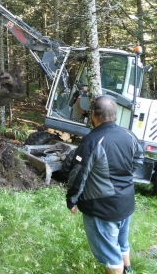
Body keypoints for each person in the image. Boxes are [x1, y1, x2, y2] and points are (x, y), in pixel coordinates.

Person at [64, 96, 144, 274]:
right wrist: (121, 173)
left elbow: (78, 174)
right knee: (121, 242)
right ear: (114, 114)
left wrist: (72, 199)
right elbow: (139, 159)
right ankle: (128, 269)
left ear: (93, 114)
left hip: (102, 208)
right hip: (126, 202)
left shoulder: (92, 141)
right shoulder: (129, 135)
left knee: (110, 257)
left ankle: (120, 269)